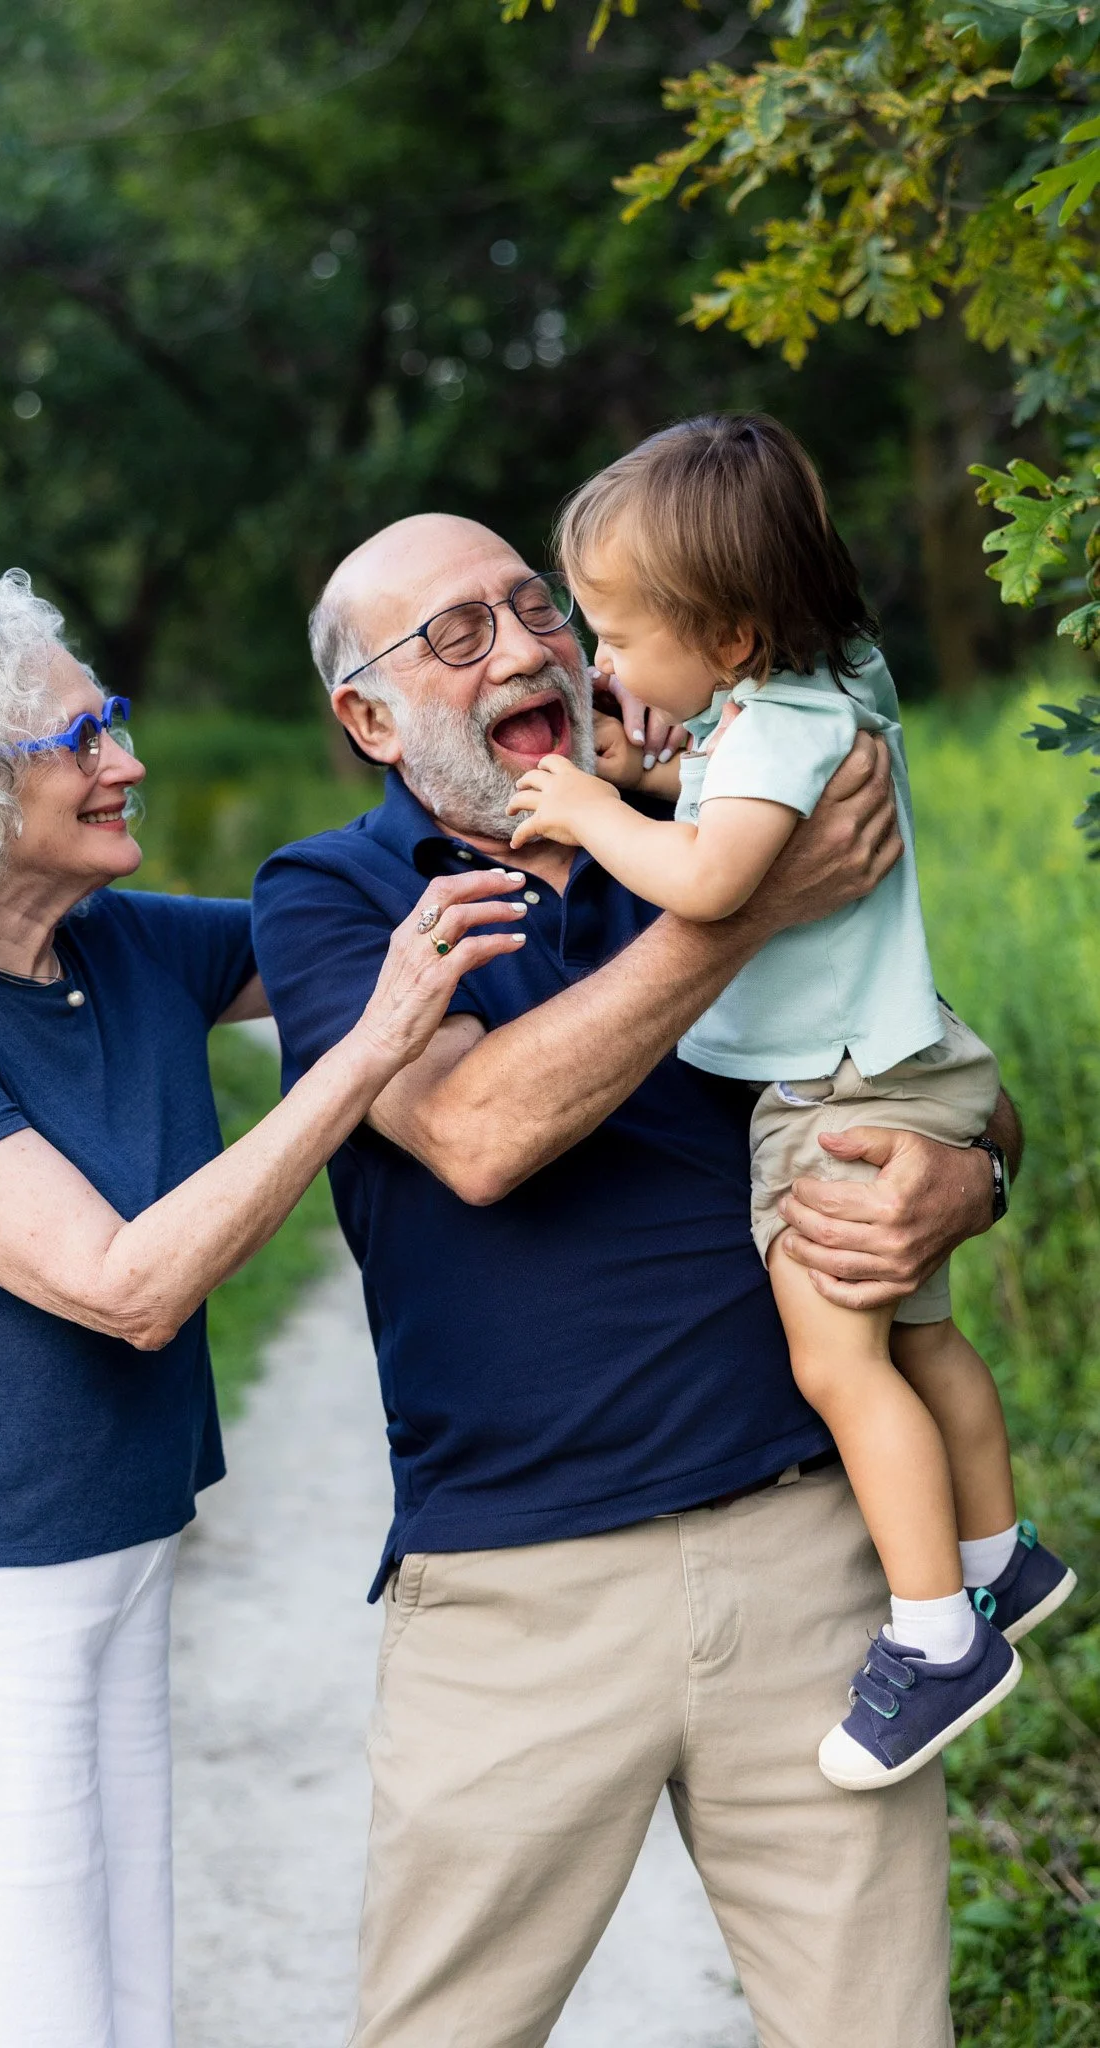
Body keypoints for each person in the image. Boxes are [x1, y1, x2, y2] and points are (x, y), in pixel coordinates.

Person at [251, 511, 1024, 2048]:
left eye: (532, 607)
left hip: (812, 1558)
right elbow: (473, 1134)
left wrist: (972, 1177)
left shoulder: (729, 791)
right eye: (455, 636)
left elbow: (937, 1072)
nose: (527, 647)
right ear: (369, 718)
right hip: (516, 1592)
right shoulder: (332, 899)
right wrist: (739, 911)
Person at [0, 569, 525, 2048]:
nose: (129, 758)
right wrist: (358, 1061)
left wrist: (551, 774)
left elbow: (349, 921)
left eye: (111, 718)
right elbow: (129, 1290)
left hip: (108, 1551)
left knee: (111, 2007)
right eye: (83, 735)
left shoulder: (121, 945)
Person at [508, 415, 1075, 1791]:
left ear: (736, 636)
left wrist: (588, 807)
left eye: (620, 635)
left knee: (838, 1366)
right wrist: (646, 766)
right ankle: (1003, 1558)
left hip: (830, 1091)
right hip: (906, 1059)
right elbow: (712, 788)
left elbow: (707, 879)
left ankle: (939, 1640)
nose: (599, 664)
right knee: (922, 1339)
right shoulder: (831, 687)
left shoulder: (773, 727)